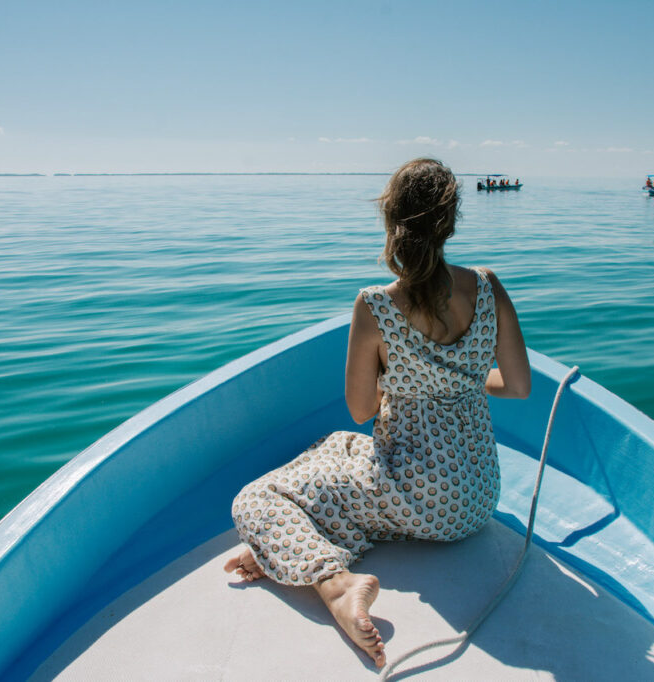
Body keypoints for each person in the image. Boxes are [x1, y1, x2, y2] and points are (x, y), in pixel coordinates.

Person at [223, 158, 531, 668]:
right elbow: (517, 385)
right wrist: (465, 377)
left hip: (416, 496)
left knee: (253, 500)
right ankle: (292, 546)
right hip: (478, 497)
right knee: (335, 447)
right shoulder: (488, 285)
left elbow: (362, 408)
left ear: (392, 221)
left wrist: (402, 381)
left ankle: (336, 585)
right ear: (450, 222)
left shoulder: (375, 304)